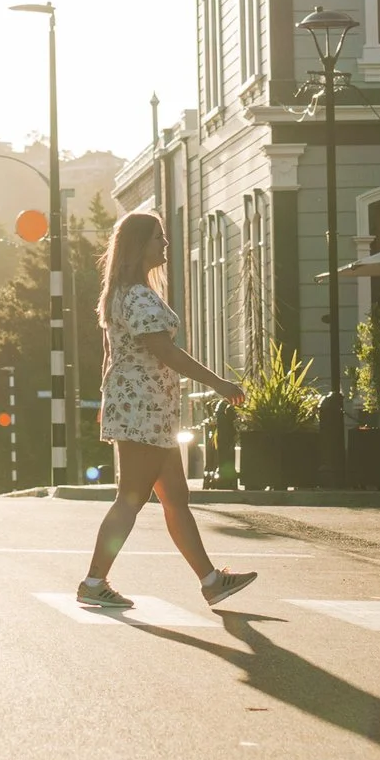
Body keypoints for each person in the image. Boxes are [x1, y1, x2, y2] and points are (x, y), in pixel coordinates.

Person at [78, 209, 257, 610]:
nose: (165, 244)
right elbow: (164, 350)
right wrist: (220, 384)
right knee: (131, 498)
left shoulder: (125, 293)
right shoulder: (137, 295)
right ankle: (93, 581)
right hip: (143, 408)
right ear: (139, 246)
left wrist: (109, 402)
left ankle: (211, 581)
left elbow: (112, 354)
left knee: (175, 497)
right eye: (158, 238)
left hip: (145, 409)